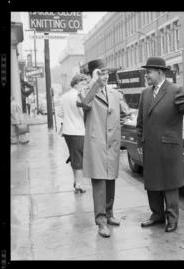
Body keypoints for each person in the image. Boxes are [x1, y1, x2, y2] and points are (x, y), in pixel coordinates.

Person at [78, 59, 130, 238]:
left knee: (110, 180)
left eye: (106, 73)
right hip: (96, 143)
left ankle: (109, 214)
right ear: (93, 74)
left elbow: (126, 113)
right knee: (99, 182)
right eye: (101, 72)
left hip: (112, 143)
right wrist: (94, 83)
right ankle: (100, 221)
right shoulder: (86, 91)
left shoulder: (115, 93)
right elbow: (85, 104)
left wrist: (116, 127)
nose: (105, 76)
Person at [136, 56, 184, 233]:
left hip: (168, 148)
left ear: (159, 72)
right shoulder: (145, 93)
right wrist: (139, 142)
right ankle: (157, 215)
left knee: (169, 184)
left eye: (148, 72)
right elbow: (140, 122)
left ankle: (172, 218)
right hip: (150, 146)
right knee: (152, 182)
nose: (146, 75)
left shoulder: (176, 90)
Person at [57, 73, 88, 194]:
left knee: (74, 156)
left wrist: (69, 117)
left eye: (85, 83)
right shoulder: (79, 96)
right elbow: (83, 114)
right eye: (82, 83)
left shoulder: (64, 96)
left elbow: (60, 113)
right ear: (76, 84)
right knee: (79, 159)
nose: (84, 85)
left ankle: (76, 181)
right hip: (78, 131)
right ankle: (79, 184)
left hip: (67, 132)